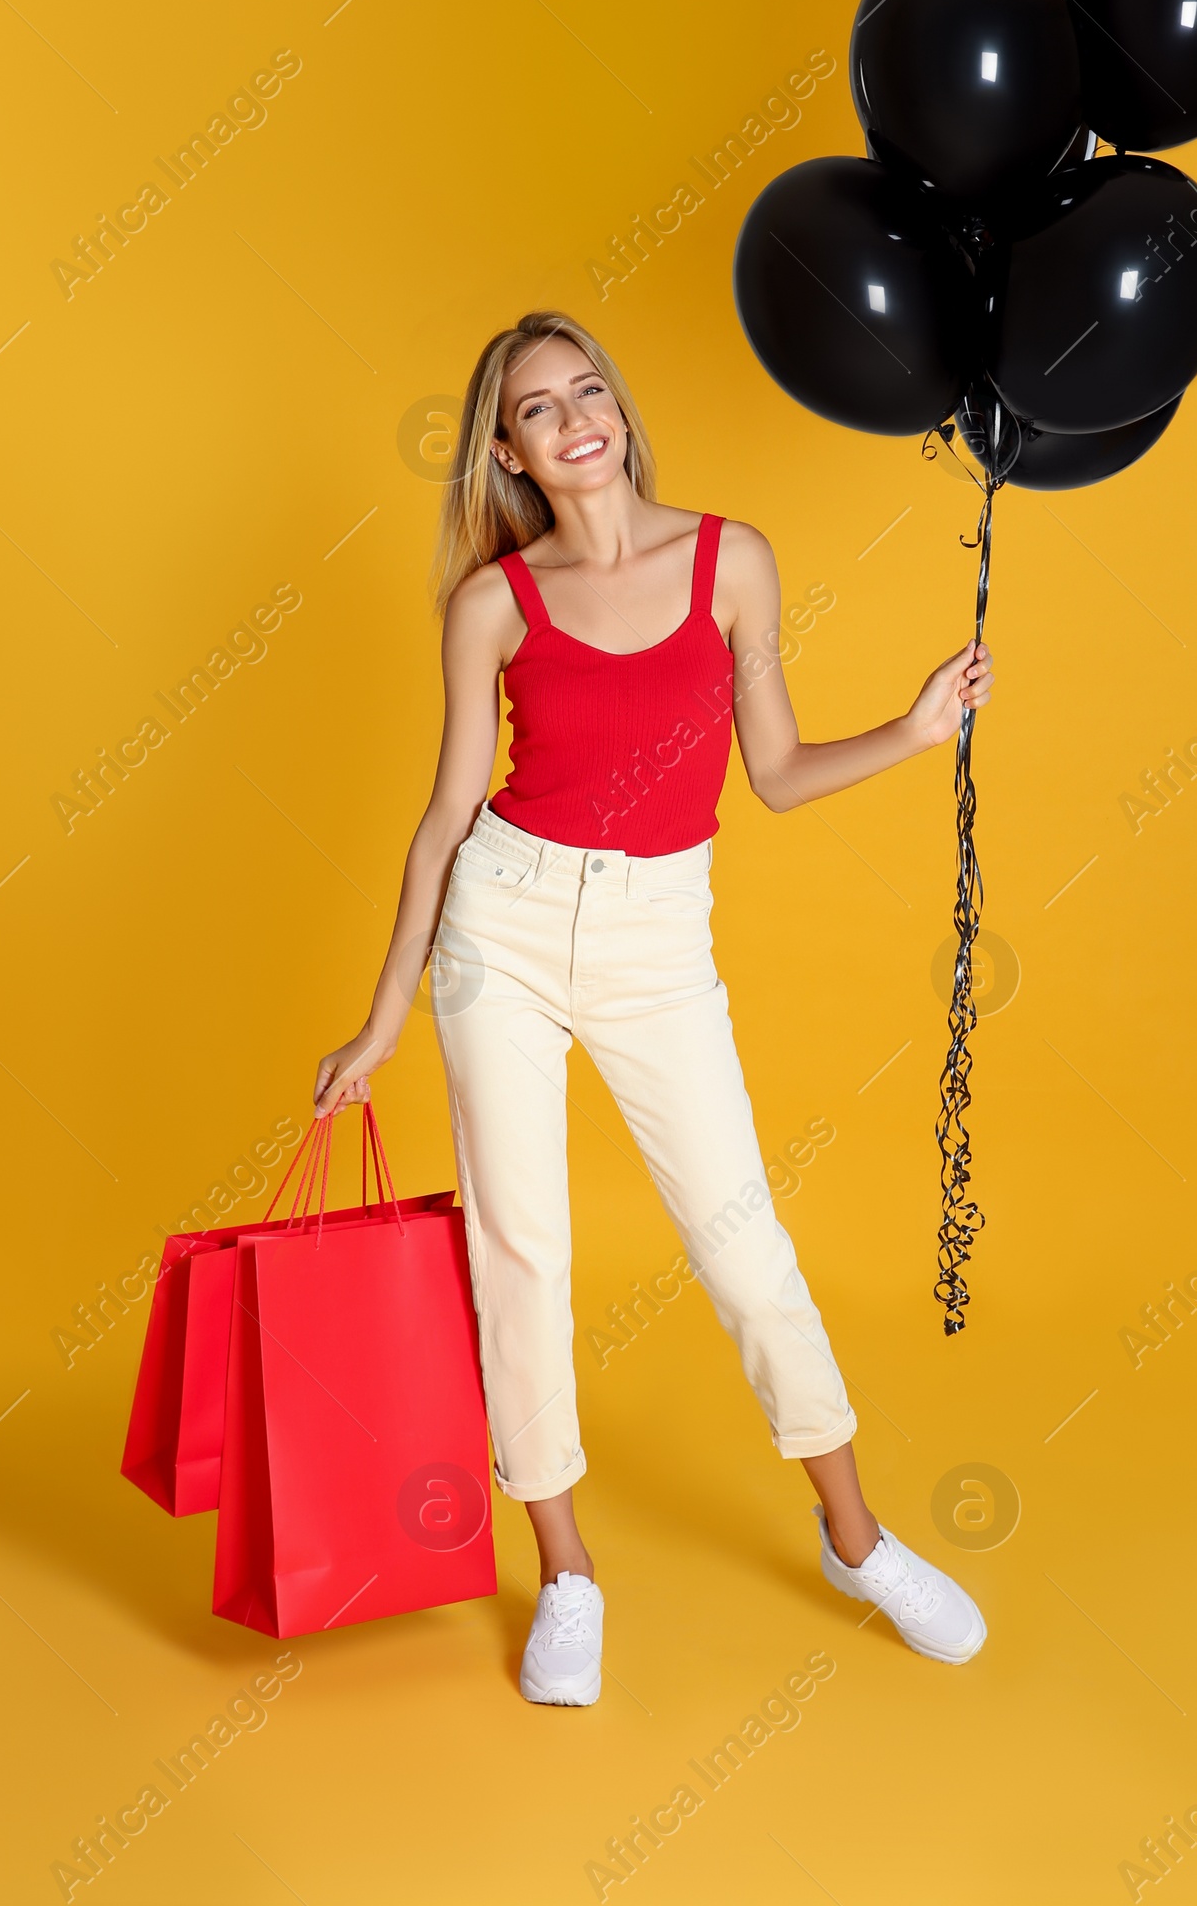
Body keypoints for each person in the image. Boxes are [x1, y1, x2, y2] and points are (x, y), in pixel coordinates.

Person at [314, 311, 995, 1705]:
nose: (576, 421)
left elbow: (781, 771)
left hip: (655, 934)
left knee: (743, 1248)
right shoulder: (493, 604)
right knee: (524, 1258)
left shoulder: (730, 560)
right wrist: (382, 1018)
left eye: (589, 392)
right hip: (499, 924)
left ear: (617, 410)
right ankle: (566, 1573)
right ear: (505, 451)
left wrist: (917, 733)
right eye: (538, 410)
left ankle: (855, 1541)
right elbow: (445, 820)